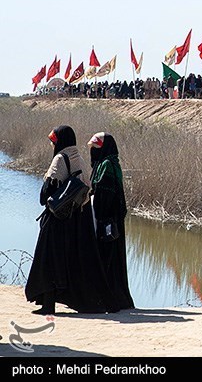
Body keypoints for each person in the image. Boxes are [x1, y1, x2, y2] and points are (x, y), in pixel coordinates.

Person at [25, 125, 109, 315]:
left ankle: (48, 305)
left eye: (53, 141)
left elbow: (46, 193)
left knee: (49, 258)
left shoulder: (60, 159)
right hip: (78, 218)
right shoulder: (79, 158)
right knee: (71, 259)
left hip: (58, 219)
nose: (52, 145)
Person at [87, 132, 135, 312]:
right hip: (108, 219)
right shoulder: (106, 164)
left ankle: (110, 299)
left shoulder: (107, 166)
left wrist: (96, 208)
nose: (93, 151)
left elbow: (105, 195)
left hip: (108, 221)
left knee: (108, 259)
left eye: (96, 148)